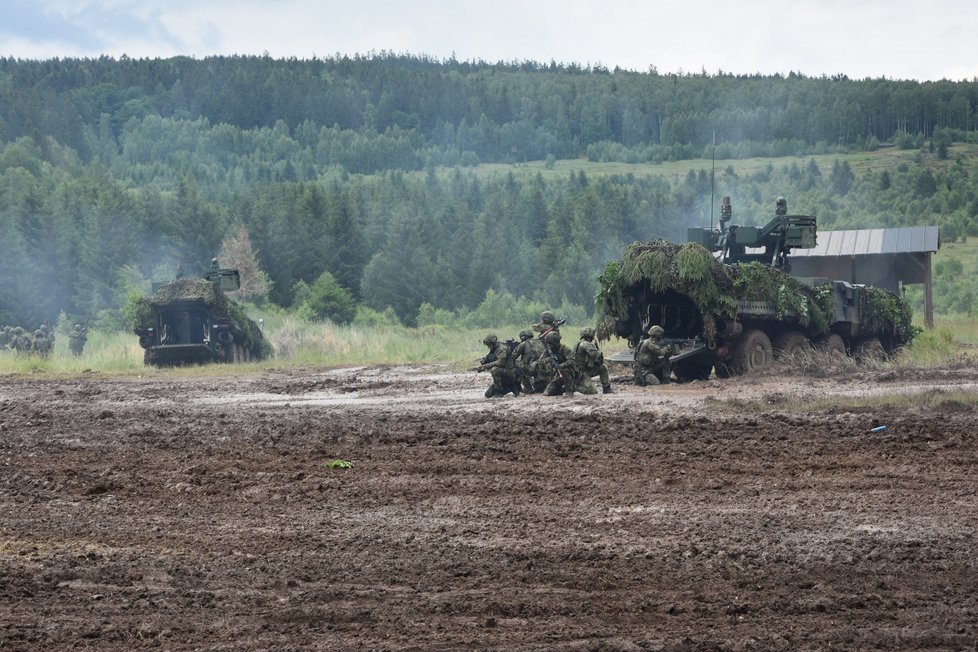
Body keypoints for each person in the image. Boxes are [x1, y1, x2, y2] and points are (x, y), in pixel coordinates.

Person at [476, 333, 520, 398]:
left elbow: (500, 363)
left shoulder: (502, 348)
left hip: (511, 374)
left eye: (489, 344)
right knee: (488, 394)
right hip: (503, 375)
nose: (488, 346)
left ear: (492, 343)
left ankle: (500, 391)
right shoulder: (494, 349)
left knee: (494, 370)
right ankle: (510, 387)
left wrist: (485, 366)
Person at [574, 327, 613, 394]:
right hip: (582, 373)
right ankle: (574, 387)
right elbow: (596, 354)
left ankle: (607, 388)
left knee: (603, 367)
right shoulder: (585, 344)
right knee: (593, 391)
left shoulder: (578, 343)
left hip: (584, 370)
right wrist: (597, 351)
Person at [542, 330, 577, 396]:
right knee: (548, 393)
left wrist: (561, 365)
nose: (550, 345)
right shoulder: (548, 350)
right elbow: (541, 361)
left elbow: (572, 361)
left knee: (565, 370)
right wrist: (549, 360)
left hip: (568, 372)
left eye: (551, 343)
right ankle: (560, 389)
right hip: (555, 373)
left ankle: (569, 390)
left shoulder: (565, 349)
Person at [512, 328, 546, 394]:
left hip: (532, 368)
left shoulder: (523, 344)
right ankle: (540, 387)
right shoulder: (540, 342)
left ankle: (528, 387)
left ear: (523, 336)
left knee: (517, 364)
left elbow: (513, 356)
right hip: (543, 367)